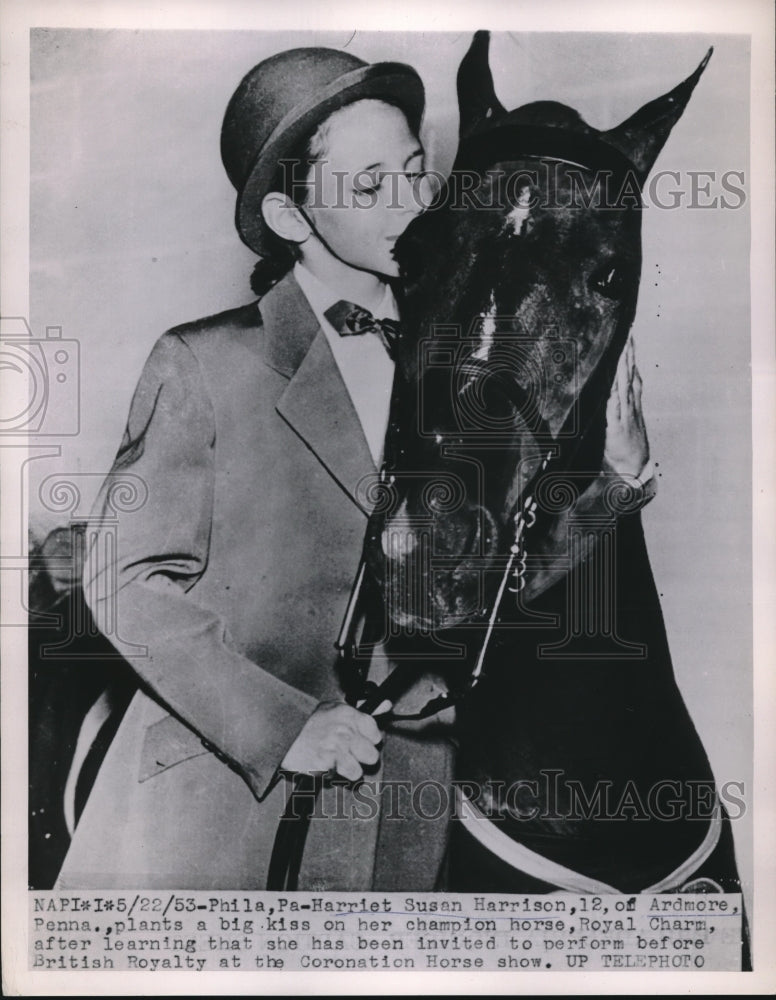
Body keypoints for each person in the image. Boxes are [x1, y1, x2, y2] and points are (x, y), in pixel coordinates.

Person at [55, 46, 454, 891]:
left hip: (402, 812)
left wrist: (617, 481)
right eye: (371, 185)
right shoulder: (203, 363)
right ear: (290, 215)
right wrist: (283, 727)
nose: (414, 204)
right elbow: (124, 579)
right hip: (222, 802)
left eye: (417, 173)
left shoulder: (460, 365)